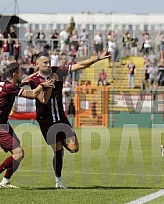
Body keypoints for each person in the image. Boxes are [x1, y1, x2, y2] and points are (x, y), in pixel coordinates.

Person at [23, 50, 111, 188]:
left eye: (49, 62)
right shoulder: (34, 80)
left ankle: (61, 144)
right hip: (45, 120)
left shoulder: (58, 71)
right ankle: (59, 180)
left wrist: (98, 58)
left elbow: (81, 65)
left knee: (74, 148)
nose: (48, 64)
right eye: (45, 62)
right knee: (57, 149)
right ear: (37, 64)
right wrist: (46, 84)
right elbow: (42, 99)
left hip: (60, 117)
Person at [0, 62, 54, 189]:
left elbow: (25, 80)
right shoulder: (9, 87)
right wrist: (42, 85)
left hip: (1, 124)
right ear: (14, 74)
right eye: (20, 71)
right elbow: (33, 94)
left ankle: (5, 181)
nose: (22, 73)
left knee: (18, 154)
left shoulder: (4, 84)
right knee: (18, 153)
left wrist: (38, 74)